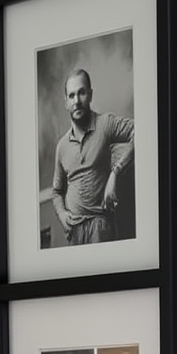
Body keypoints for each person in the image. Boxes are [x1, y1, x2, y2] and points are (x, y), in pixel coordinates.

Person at [50, 68, 134, 247]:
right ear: (66, 102)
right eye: (71, 96)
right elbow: (57, 192)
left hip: (100, 228)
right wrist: (62, 215)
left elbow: (141, 131)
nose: (77, 101)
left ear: (90, 94)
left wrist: (115, 172)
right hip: (73, 232)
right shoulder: (62, 146)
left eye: (81, 93)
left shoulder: (106, 123)